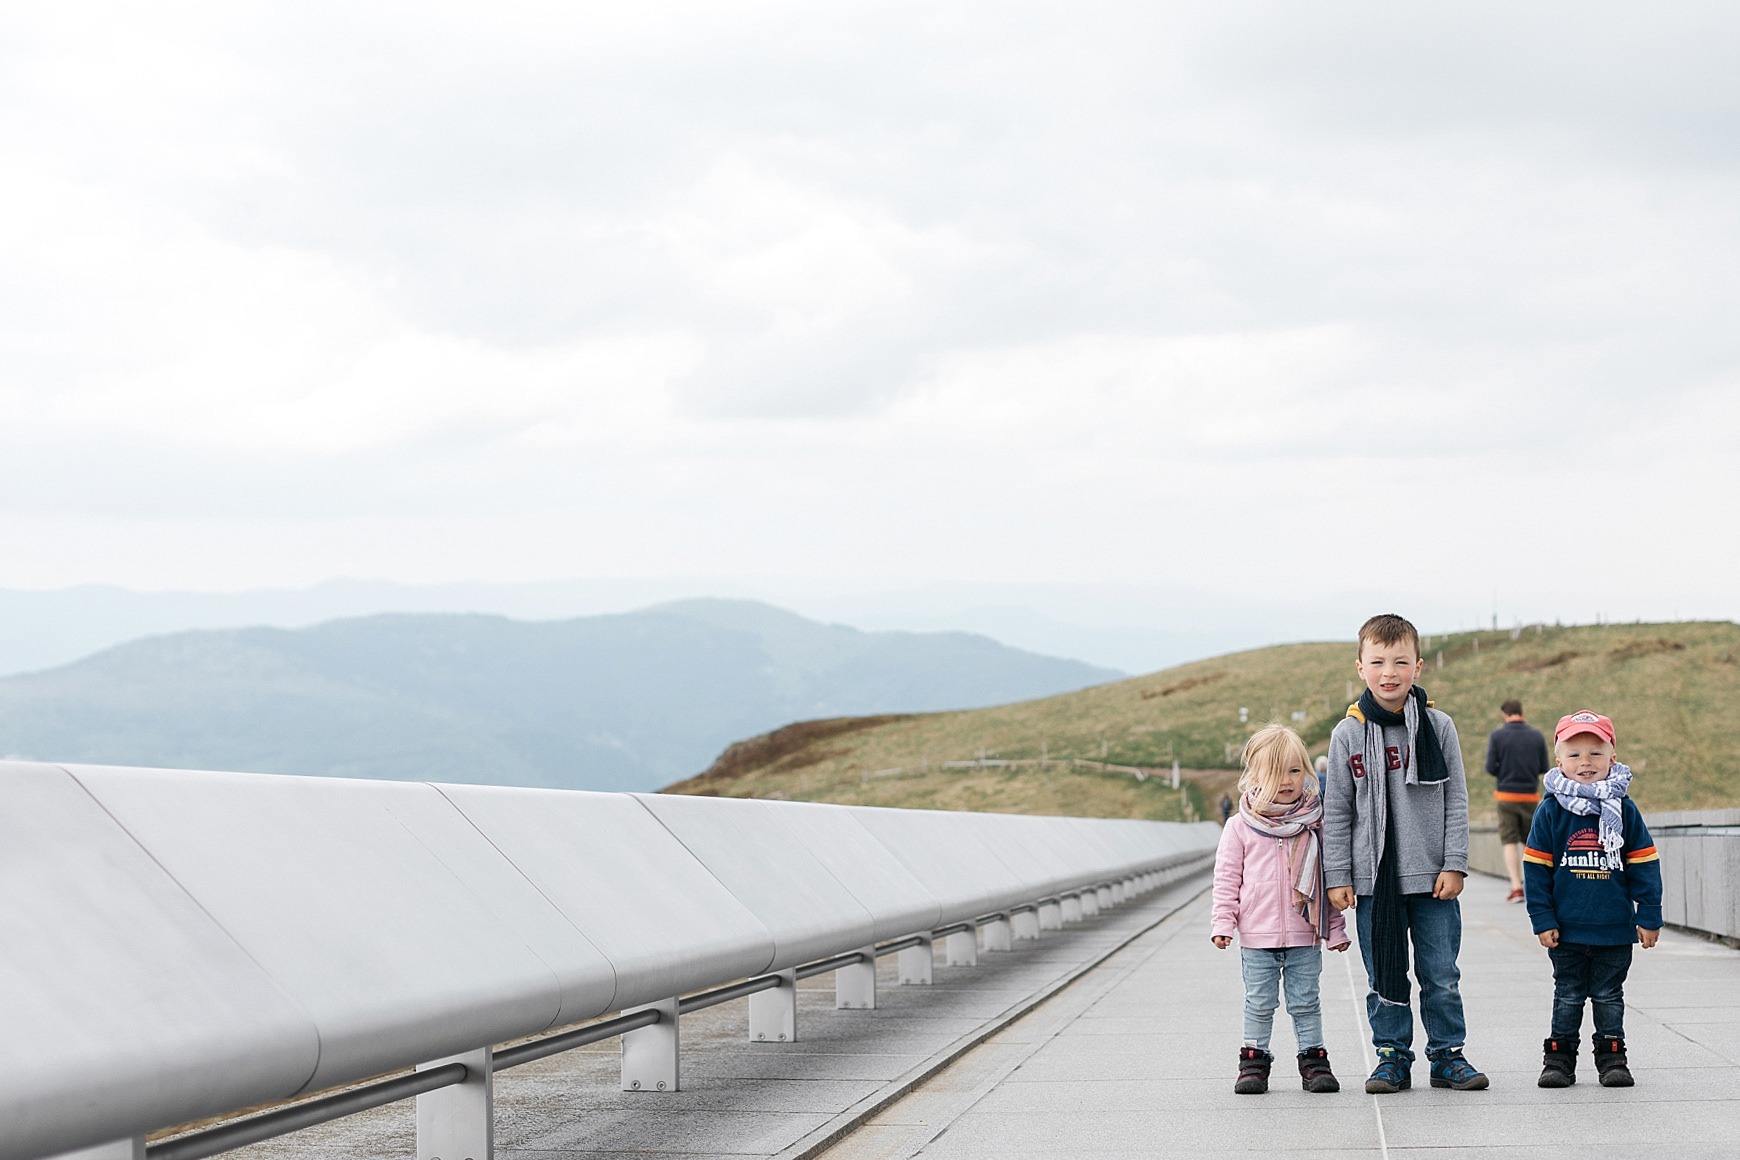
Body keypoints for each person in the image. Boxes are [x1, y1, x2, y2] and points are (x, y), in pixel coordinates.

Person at [1323, 614, 1488, 1093]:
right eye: (1377, 662)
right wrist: (1338, 874)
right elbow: (1337, 810)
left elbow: (1457, 798)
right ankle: (1391, 1057)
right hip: (1375, 882)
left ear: (1419, 666)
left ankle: (1447, 1056)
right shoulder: (1347, 736)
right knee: (1384, 976)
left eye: (1399, 661)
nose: (1388, 672)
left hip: (1433, 879)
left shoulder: (1439, 726)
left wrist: (1455, 862)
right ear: (1360, 667)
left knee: (1441, 974)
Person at [1524, 709, 1662, 1088]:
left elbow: (1645, 865)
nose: (1585, 762)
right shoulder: (1551, 811)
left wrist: (1649, 915)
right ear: (1559, 761)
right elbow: (1536, 871)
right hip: (1566, 930)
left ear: (1612, 757)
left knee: (1608, 996)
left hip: (1615, 930)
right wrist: (1543, 919)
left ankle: (1612, 1057)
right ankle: (1559, 1059)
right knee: (1567, 995)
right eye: (1574, 754)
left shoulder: (1624, 809)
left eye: (1595, 752)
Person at [1210, 723, 1350, 1095]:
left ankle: (1314, 1061)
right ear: (1254, 776)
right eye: (1275, 772)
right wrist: (1223, 922)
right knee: (1259, 1002)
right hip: (1257, 936)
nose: (1286, 781)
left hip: (1305, 934)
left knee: (1306, 1001)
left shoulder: (1314, 825)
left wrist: (1335, 929)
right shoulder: (1239, 827)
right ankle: (1254, 1063)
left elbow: (1325, 883)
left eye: (1294, 770)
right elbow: (1226, 880)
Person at [1486, 699, 1551, 902]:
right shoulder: (1536, 736)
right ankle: (1535, 885)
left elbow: (1490, 767)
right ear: (1522, 712)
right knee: (1532, 842)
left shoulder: (1497, 735)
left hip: (1506, 797)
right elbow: (1544, 767)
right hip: (1530, 796)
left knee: (1509, 841)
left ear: (1504, 715)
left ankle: (1516, 886)